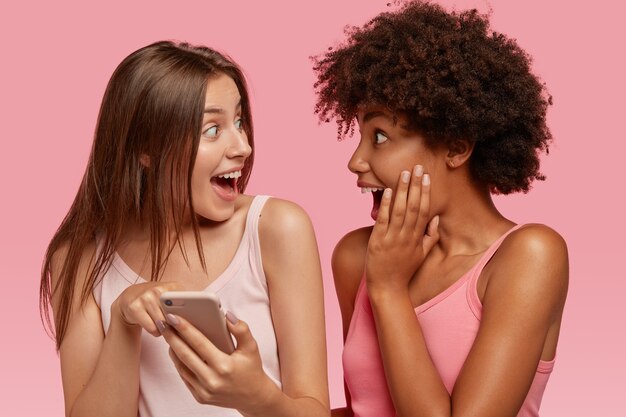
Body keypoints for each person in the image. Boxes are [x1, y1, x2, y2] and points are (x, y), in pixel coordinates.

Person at [40, 41, 329, 417]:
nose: (242, 146)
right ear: (146, 149)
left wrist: (257, 397)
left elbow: (315, 409)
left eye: (239, 122)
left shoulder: (276, 229)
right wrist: (124, 324)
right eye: (213, 129)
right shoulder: (80, 258)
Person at [312, 2, 568, 416]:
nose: (355, 161)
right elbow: (365, 409)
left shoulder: (529, 257)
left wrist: (390, 290)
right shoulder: (357, 256)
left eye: (380, 137)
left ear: (456, 147)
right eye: (360, 136)